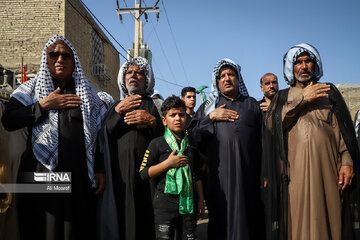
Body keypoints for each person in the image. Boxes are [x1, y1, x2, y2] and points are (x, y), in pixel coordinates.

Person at [1, 35, 106, 240]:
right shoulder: (30, 90)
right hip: (41, 173)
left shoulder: (89, 95)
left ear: (73, 60)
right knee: (42, 228)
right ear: (46, 58)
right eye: (54, 55)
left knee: (76, 229)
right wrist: (43, 105)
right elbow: (9, 119)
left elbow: (98, 134)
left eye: (65, 55)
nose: (60, 59)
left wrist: (100, 168)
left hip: (79, 174)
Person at [262, 43, 360, 240]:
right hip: (294, 176)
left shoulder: (328, 92)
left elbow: (344, 134)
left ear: (315, 65)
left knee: (331, 221)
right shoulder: (281, 97)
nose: (304, 66)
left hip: (329, 173)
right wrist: (302, 100)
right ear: (291, 67)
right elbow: (272, 125)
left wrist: (347, 163)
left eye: (308, 61)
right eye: (298, 62)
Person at [189, 58, 264, 240]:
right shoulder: (209, 107)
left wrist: (265, 174)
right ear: (217, 82)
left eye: (231, 74)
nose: (227, 78)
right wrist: (211, 118)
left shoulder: (252, 104)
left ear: (238, 79)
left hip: (249, 177)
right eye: (222, 76)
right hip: (219, 179)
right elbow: (192, 137)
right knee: (221, 221)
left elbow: (264, 142)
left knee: (250, 220)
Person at [98, 57, 164, 240]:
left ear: (147, 79)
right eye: (129, 72)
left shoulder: (156, 106)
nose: (133, 75)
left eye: (138, 72)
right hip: (120, 177)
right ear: (123, 78)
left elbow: (169, 140)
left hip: (150, 179)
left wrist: (152, 121)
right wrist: (119, 111)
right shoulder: (114, 106)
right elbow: (103, 134)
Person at [139, 95, 204, 240]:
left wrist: (200, 200)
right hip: (164, 206)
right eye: (172, 115)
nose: (177, 119)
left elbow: (197, 174)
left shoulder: (191, 146)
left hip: (188, 205)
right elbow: (143, 173)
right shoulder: (156, 144)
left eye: (181, 115)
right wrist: (167, 164)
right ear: (164, 121)